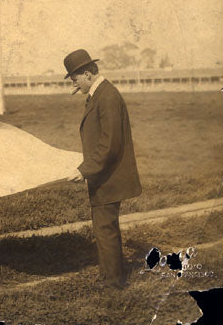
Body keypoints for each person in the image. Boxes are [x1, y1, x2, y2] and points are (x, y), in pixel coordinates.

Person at [63, 48, 142, 289]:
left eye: (75, 78)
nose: (74, 83)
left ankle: (113, 281)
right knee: (104, 226)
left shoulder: (107, 96)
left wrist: (84, 170)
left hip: (109, 177)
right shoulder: (99, 94)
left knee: (105, 227)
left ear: (87, 73)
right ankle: (109, 274)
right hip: (104, 174)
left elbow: (109, 143)